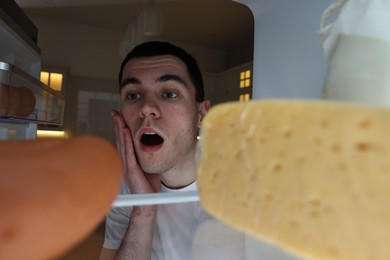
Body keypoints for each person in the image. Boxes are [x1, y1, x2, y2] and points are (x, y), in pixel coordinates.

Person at [100, 41, 244, 260]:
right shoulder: (126, 188)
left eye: (169, 94)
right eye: (133, 95)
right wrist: (143, 210)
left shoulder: (246, 187)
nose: (146, 108)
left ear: (202, 114)